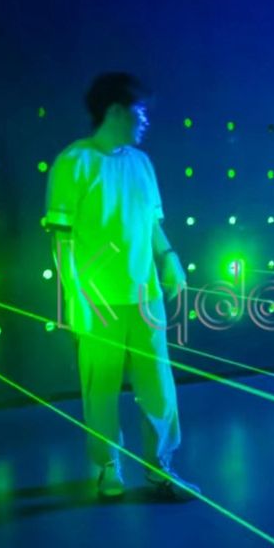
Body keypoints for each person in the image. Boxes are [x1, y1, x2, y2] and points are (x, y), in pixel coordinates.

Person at [41, 73, 197, 501]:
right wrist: (75, 299)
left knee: (158, 386)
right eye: (139, 111)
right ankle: (107, 467)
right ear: (114, 110)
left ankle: (160, 468)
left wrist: (170, 258)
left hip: (146, 297)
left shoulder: (142, 164)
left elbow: (152, 224)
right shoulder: (73, 162)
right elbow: (62, 242)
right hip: (98, 301)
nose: (145, 120)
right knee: (101, 388)